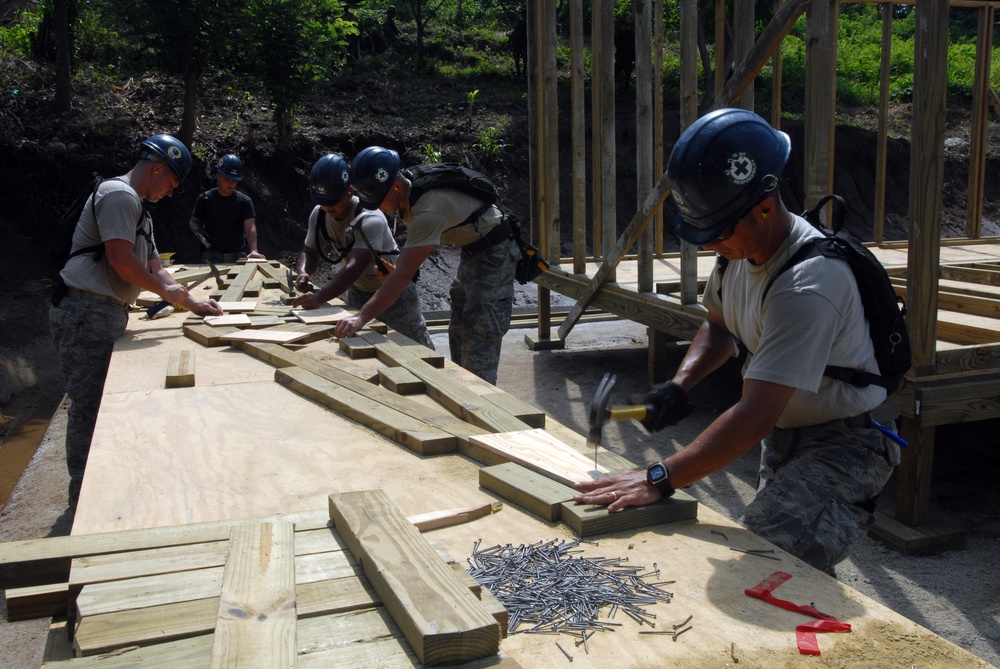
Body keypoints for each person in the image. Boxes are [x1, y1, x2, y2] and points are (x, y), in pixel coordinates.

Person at [573, 109, 901, 574]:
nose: (710, 246)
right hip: (789, 435)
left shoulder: (807, 286)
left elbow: (754, 416)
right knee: (787, 564)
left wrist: (660, 477)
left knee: (765, 559)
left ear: (764, 208)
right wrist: (680, 384)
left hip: (847, 443)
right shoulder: (739, 253)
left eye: (718, 232)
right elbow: (719, 326)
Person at [50, 134, 223, 511]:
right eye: (171, 183)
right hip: (85, 312)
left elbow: (154, 267)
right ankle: (81, 503)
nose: (171, 192)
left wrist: (191, 301)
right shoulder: (119, 195)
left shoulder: (140, 209)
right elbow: (121, 261)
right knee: (89, 407)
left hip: (104, 312)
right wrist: (168, 295)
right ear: (157, 167)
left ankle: (97, 492)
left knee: (101, 405)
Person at [334, 147, 519, 385]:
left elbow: (402, 276)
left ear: (396, 187)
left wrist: (360, 318)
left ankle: (483, 409)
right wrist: (400, 274)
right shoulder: (408, 187)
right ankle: (461, 394)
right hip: (474, 251)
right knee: (460, 329)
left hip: (495, 255)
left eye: (380, 201)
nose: (380, 208)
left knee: (480, 335)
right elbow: (407, 264)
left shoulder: (427, 208)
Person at [293, 153, 433, 349]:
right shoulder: (320, 214)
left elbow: (354, 267)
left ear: (350, 191)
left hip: (393, 292)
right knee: (363, 348)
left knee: (416, 349)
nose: (327, 206)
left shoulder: (370, 217)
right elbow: (310, 251)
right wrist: (304, 272)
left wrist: (319, 297)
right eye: (322, 201)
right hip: (359, 292)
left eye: (333, 200)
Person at [188, 153, 264, 263]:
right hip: (211, 255)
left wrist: (253, 250)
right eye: (227, 179)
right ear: (218, 175)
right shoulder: (205, 199)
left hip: (237, 255)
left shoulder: (244, 201)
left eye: (234, 180)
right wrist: (198, 231)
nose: (231, 183)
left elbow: (250, 227)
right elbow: (193, 221)